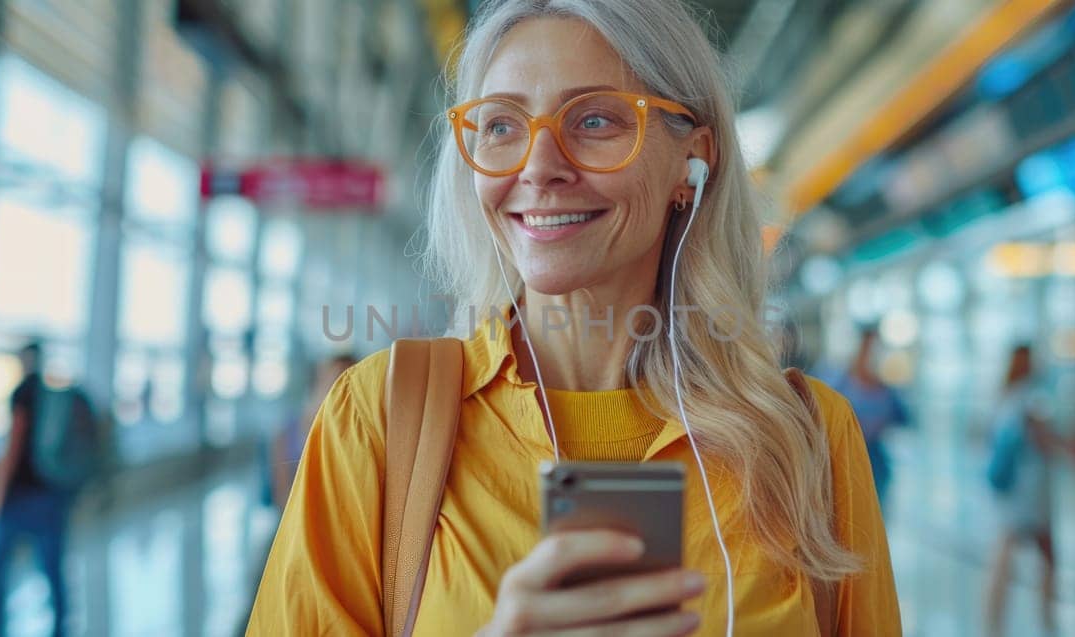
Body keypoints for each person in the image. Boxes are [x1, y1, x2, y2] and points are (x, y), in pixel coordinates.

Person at [246, 0, 900, 634]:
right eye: (501, 125)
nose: (539, 167)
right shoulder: (379, 419)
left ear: (693, 161)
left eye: (593, 121)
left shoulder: (806, 440)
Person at [0, 341, 73, 637]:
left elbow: (13, 445)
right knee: (53, 569)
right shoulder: (55, 397)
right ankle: (60, 626)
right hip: (52, 495)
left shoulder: (22, 394)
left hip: (19, 498)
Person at [983, 345, 1075, 637]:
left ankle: (996, 618)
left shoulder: (1004, 397)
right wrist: (1072, 452)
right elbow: (1042, 435)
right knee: (1040, 551)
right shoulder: (1029, 396)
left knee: (1010, 548)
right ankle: (1045, 619)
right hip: (1029, 487)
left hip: (1011, 487)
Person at [824, 328, 911, 508]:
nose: (872, 355)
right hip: (843, 462)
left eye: (877, 350)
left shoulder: (887, 391)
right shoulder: (837, 383)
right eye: (868, 348)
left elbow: (905, 419)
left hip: (875, 463)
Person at [260, 353, 357, 507]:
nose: (343, 393)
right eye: (336, 380)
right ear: (320, 381)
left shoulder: (356, 434)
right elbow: (283, 498)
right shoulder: (285, 434)